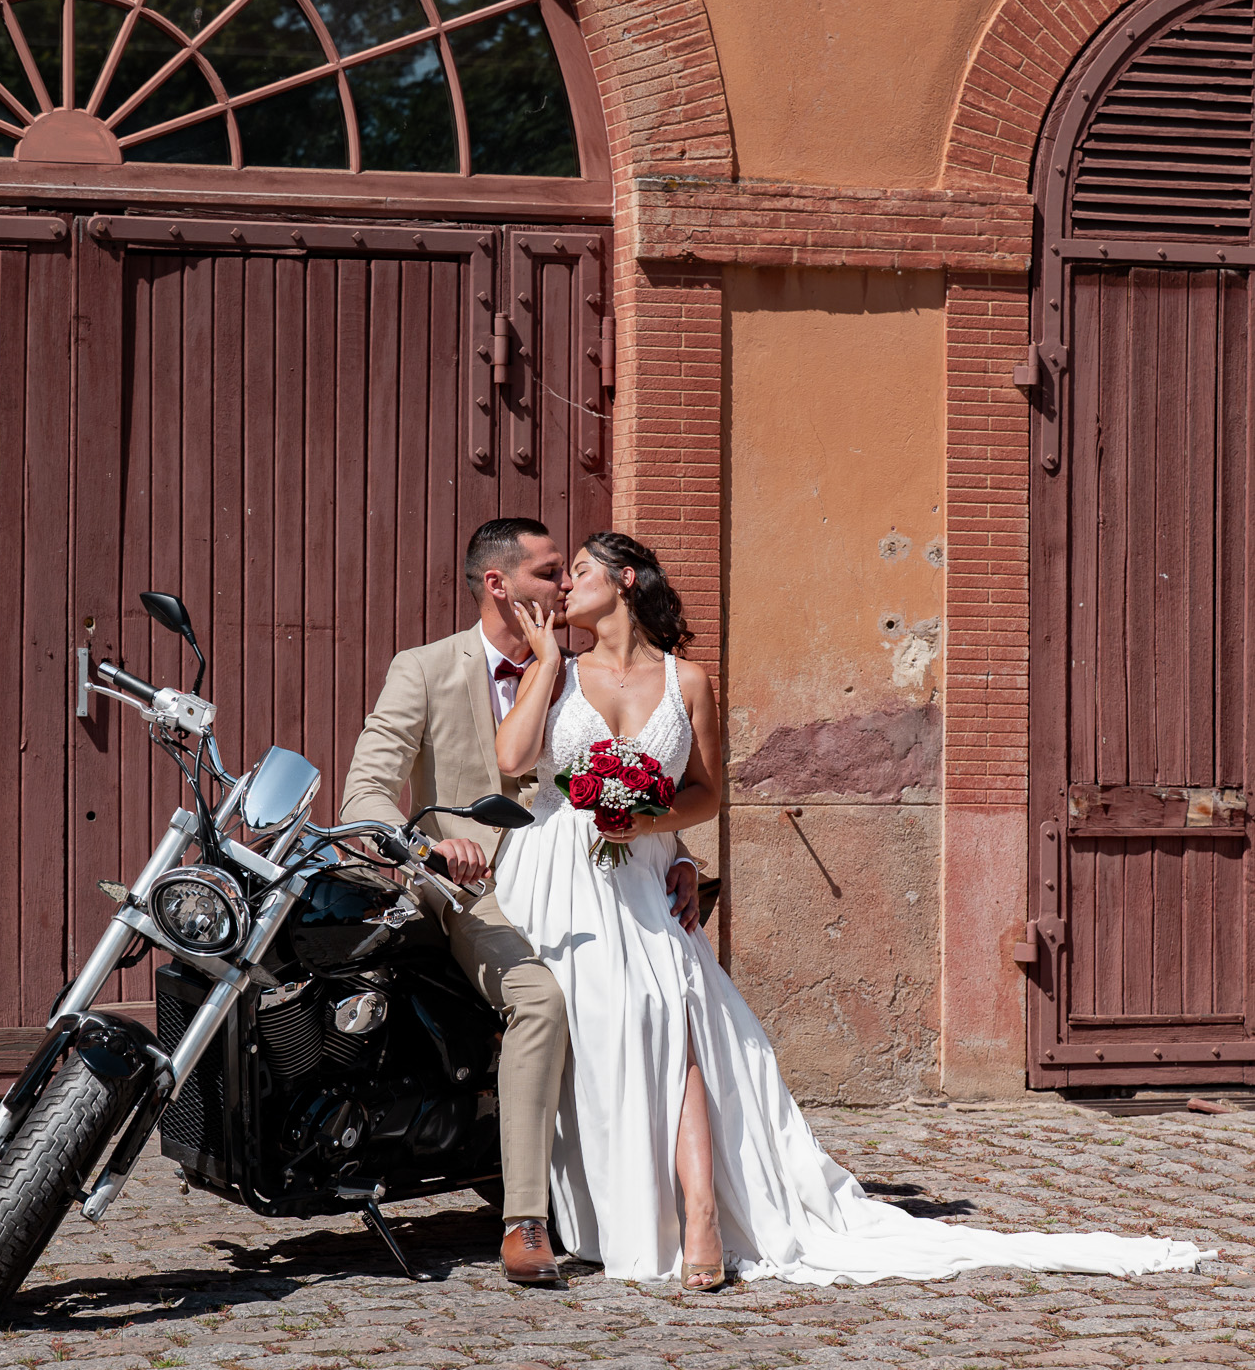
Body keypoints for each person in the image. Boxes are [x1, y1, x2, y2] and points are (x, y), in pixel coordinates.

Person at [492, 531, 1212, 1290]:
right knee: (606, 1029)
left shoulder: (688, 681)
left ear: (626, 580)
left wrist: (652, 827)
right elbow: (512, 760)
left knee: (681, 1013)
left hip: (640, 872)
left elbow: (704, 794)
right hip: (561, 877)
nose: (564, 587)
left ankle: (700, 1211)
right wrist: (543, 665)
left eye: (579, 571)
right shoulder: (556, 671)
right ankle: (596, 1206)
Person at [339, 517, 701, 1289]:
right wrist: (428, 848)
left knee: (654, 997)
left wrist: (676, 853)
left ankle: (640, 1200)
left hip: (581, 880)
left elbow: (628, 772)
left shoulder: (575, 668)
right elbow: (366, 788)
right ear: (498, 584)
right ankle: (525, 1219)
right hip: (476, 890)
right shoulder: (425, 668)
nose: (565, 585)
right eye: (548, 572)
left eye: (569, 572)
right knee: (540, 999)